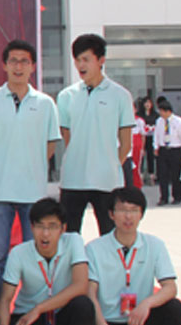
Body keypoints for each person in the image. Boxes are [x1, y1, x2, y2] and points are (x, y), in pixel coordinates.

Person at [0, 40, 62, 310]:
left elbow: (50, 144)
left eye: (24, 61)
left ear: (33, 66)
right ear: (4, 65)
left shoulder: (46, 103)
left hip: (33, 192)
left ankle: (31, 306)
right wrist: (3, 162)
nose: (18, 66)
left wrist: (29, 164)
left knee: (34, 252)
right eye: (13, 61)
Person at [86, 187, 181, 325]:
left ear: (141, 214)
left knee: (175, 308)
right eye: (122, 210)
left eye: (134, 210)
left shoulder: (154, 245)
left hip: (138, 321)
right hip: (108, 323)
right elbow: (90, 293)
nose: (128, 216)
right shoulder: (94, 249)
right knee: (83, 309)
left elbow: (170, 287)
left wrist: (147, 304)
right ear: (111, 214)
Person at [57, 33, 134, 235]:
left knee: (109, 237)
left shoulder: (120, 95)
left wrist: (110, 164)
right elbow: (68, 138)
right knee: (69, 237)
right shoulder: (66, 96)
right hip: (73, 179)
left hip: (107, 182)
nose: (81, 65)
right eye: (77, 60)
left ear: (101, 60)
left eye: (86, 59)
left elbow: (126, 143)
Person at [153, 97, 181, 205]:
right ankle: (164, 197)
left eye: (162, 111)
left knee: (175, 175)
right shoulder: (159, 121)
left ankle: (177, 196)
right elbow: (156, 135)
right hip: (163, 149)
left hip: (175, 149)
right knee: (162, 175)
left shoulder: (179, 122)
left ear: (167, 111)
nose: (160, 113)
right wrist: (156, 146)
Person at [136, 96, 159, 185]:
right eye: (146, 103)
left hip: (151, 138)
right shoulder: (139, 115)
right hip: (142, 137)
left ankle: (151, 175)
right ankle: (140, 175)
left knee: (151, 157)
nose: (147, 104)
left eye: (149, 103)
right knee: (141, 156)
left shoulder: (155, 115)